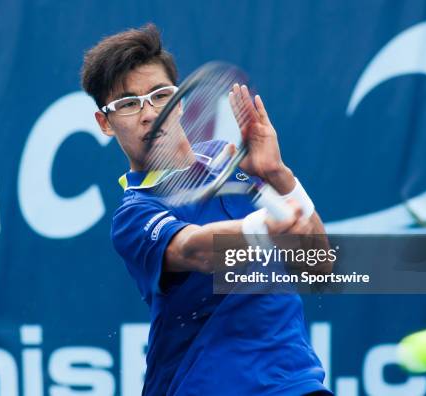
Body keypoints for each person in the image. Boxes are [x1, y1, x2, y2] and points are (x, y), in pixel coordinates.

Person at [81, 23, 333, 396]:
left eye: (160, 96)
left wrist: (280, 177)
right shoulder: (134, 214)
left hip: (295, 382)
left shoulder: (232, 159)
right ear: (105, 123)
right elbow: (192, 249)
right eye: (129, 104)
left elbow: (319, 266)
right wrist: (264, 228)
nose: (149, 114)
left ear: (180, 102)